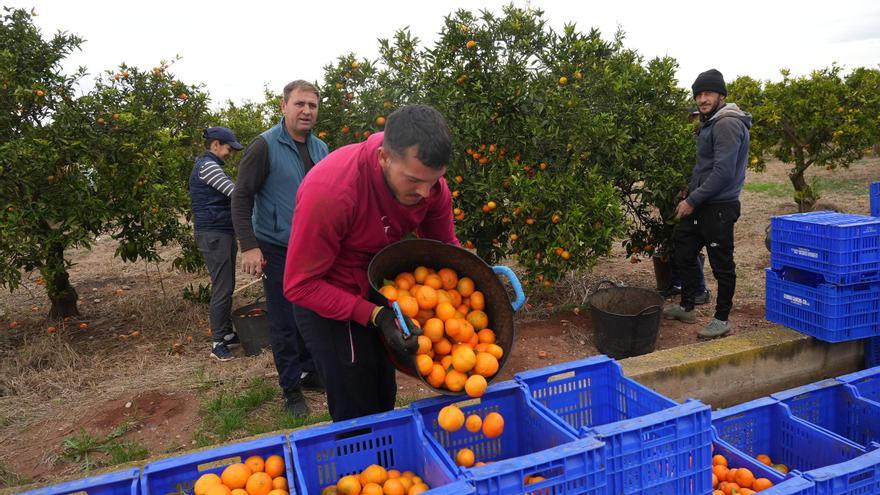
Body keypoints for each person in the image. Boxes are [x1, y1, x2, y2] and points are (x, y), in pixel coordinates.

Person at [283, 104, 459, 422]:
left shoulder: (431, 187)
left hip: (374, 284)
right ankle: (359, 467)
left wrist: (472, 287)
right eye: (413, 181)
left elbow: (445, 250)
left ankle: (386, 467)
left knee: (382, 392)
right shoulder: (332, 192)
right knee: (356, 403)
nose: (425, 192)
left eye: (433, 181)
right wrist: (375, 315)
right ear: (383, 158)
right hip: (326, 290)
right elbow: (300, 285)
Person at [231, 80, 329, 416]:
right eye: (299, 104)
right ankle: (290, 389)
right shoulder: (264, 146)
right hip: (276, 247)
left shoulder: (321, 149)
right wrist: (249, 246)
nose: (306, 111)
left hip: (312, 250)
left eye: (312, 106)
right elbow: (241, 196)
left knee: (312, 314)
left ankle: (310, 370)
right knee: (284, 320)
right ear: (283, 106)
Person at [663, 69, 752, 338]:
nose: (702, 99)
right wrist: (688, 189)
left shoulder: (726, 123)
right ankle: (688, 306)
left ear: (721, 96)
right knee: (683, 250)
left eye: (708, 94)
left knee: (722, 264)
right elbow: (705, 166)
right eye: (699, 94)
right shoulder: (709, 122)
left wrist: (692, 200)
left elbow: (723, 172)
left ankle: (721, 319)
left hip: (720, 207)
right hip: (702, 202)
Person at [189, 126, 244, 361]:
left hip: (220, 231)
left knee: (227, 284)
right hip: (214, 233)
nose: (230, 153)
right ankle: (217, 343)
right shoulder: (208, 166)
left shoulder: (210, 165)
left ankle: (227, 333)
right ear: (215, 145)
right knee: (222, 286)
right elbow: (235, 193)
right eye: (228, 148)